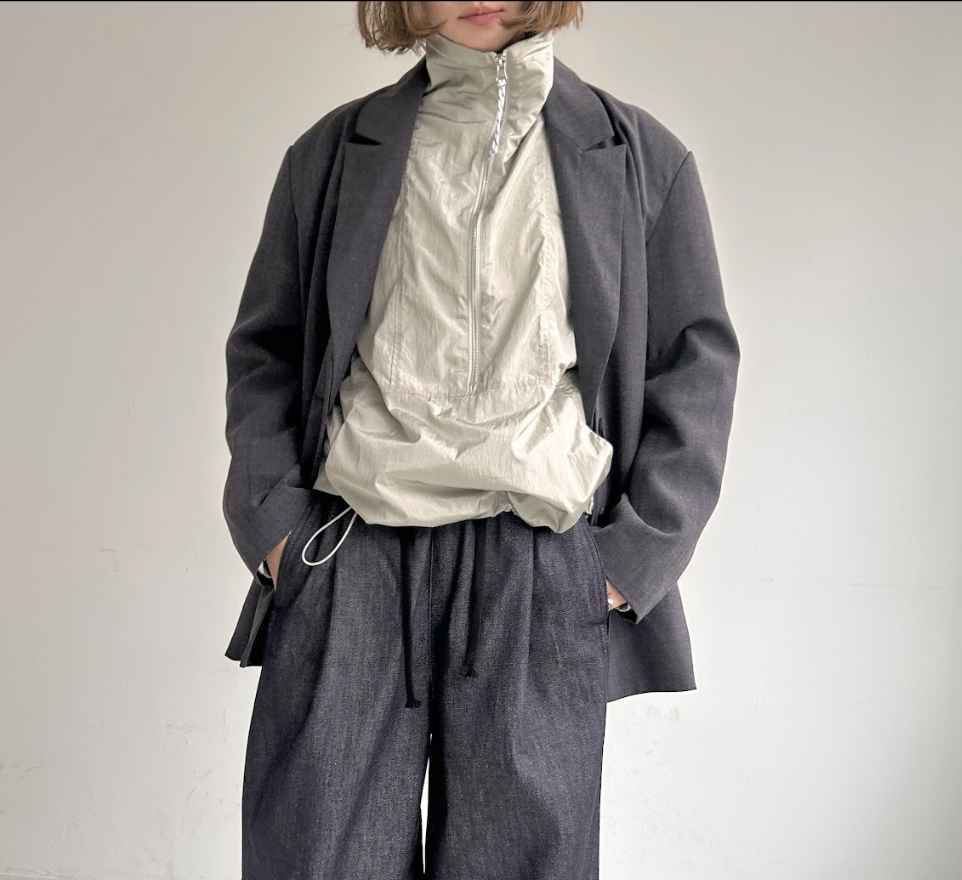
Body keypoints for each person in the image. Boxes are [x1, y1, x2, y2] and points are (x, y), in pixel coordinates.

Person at [221, 1, 740, 877]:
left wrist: (630, 560)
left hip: (538, 566)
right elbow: (265, 351)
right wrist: (277, 530)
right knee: (316, 856)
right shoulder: (331, 156)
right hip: (351, 555)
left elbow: (695, 364)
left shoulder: (641, 158)